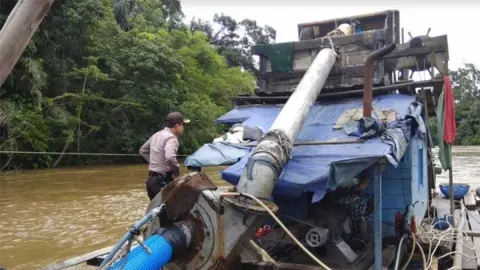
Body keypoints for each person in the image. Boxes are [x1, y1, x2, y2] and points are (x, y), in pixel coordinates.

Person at [139, 112, 190, 200]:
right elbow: (170, 157)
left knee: (156, 211)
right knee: (171, 211)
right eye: (183, 125)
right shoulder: (171, 138)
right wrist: (176, 171)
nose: (183, 128)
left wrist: (154, 163)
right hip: (162, 181)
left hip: (151, 181)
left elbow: (142, 150)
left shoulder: (156, 135)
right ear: (177, 125)